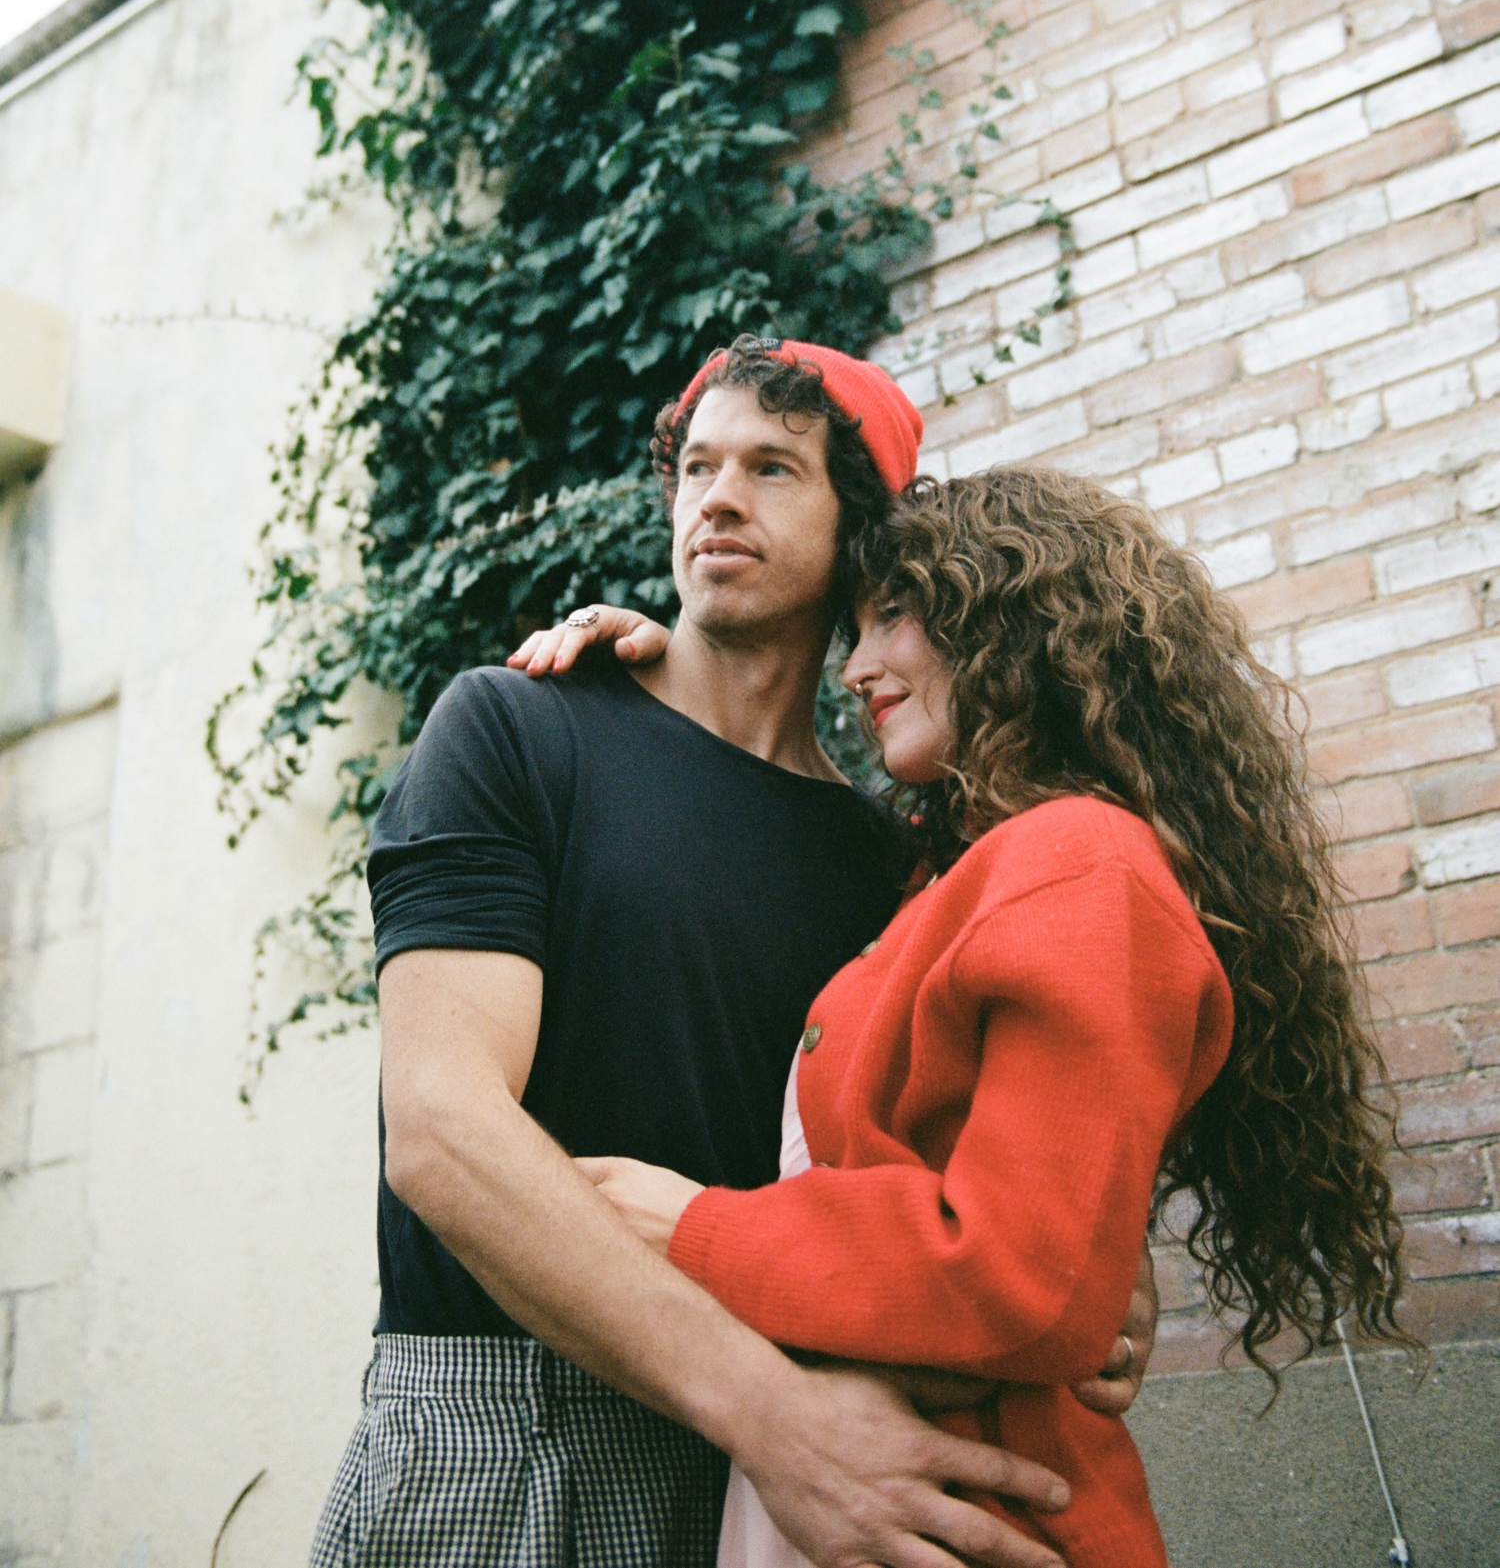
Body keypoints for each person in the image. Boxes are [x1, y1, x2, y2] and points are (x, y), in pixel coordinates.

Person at [310, 338, 1156, 1568]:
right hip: (521, 1427)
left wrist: (1088, 1276)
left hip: (807, 1463)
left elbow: (972, 1174)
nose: (717, 496)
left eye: (771, 467)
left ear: (860, 528)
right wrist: (775, 1418)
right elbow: (441, 1131)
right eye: (698, 465)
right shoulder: (518, 727)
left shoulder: (896, 867)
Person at [553, 464, 1414, 1568]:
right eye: (851, 629)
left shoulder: (1077, 861)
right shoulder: (957, 872)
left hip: (991, 1519)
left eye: (895, 615)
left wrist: (693, 1228)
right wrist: (667, 678)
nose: (857, 666)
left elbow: (1026, 1278)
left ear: (1010, 623)